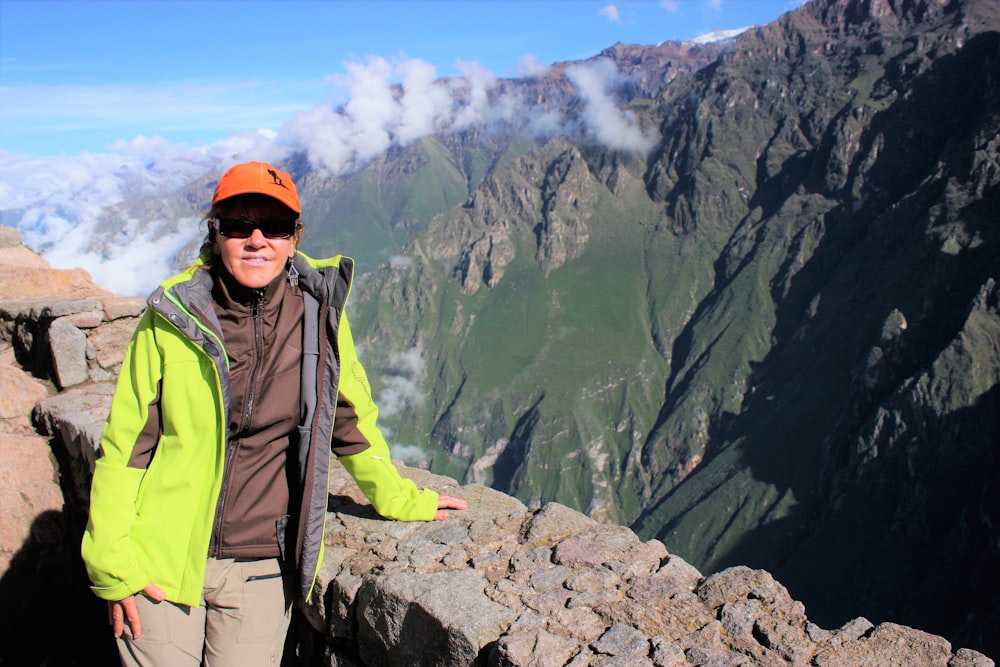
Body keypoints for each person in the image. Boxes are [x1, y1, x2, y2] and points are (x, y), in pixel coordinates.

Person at [81, 160, 467, 666]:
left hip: (259, 564)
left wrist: (399, 498)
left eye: (275, 226)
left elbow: (347, 417)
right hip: (160, 552)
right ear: (216, 233)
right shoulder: (171, 319)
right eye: (240, 224)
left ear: (294, 238)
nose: (257, 238)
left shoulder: (317, 313)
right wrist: (112, 562)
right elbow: (127, 447)